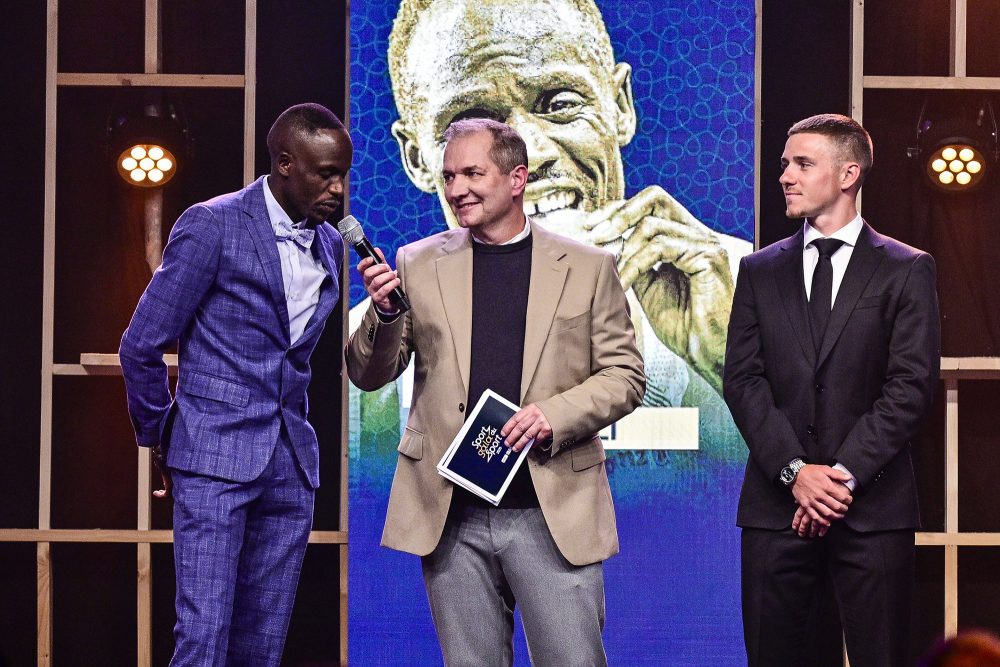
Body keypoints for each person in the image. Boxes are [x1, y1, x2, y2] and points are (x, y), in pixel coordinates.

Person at [351, 0, 751, 455]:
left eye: (559, 103)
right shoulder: (382, 346)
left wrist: (724, 362)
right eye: (475, 127)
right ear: (418, 158)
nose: (530, 157)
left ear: (619, 105)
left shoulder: (748, 288)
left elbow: (816, 465)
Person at [346, 118, 644, 665]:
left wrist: (554, 415)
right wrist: (385, 315)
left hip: (551, 510)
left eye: (473, 173)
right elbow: (369, 374)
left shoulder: (587, 267)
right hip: (450, 513)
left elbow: (625, 375)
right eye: (450, 175)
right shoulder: (417, 262)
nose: (457, 189)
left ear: (516, 179)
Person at [119, 103, 351, 665]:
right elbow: (142, 343)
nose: (339, 190)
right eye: (326, 175)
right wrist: (164, 438)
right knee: (204, 636)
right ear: (286, 164)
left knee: (262, 645)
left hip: (289, 463)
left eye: (344, 174)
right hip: (212, 458)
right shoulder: (213, 224)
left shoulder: (331, 245)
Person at [723, 114, 940, 666]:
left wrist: (837, 480)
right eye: (784, 165)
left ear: (848, 173)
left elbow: (910, 387)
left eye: (802, 164)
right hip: (777, 509)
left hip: (871, 510)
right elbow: (743, 381)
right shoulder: (758, 270)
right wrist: (796, 474)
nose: (785, 177)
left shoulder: (905, 268)